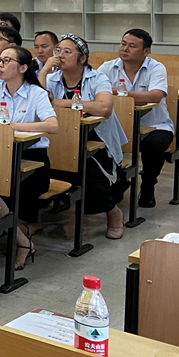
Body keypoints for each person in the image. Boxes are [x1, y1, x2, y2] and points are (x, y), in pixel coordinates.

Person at [0, 46, 58, 268]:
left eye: (6, 61)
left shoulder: (36, 93)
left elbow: (53, 126)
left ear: (22, 68)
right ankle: (22, 240)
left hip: (33, 162)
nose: (0, 65)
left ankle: (19, 239)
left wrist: (14, 125)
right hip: (2, 156)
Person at [40, 34, 126, 237]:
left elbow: (104, 108)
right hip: (62, 139)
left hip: (96, 140)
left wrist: (63, 103)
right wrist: (43, 71)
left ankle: (113, 213)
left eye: (67, 52)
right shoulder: (52, 78)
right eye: (58, 51)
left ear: (82, 58)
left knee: (90, 172)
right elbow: (39, 103)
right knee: (44, 164)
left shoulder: (97, 78)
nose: (60, 56)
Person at [96, 29, 173, 209]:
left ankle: (148, 185)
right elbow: (94, 90)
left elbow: (155, 95)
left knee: (155, 144)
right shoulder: (108, 67)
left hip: (154, 125)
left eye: (132, 46)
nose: (125, 49)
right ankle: (118, 178)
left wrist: (118, 93)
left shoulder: (156, 68)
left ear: (146, 51)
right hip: (118, 126)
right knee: (97, 141)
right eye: (123, 44)